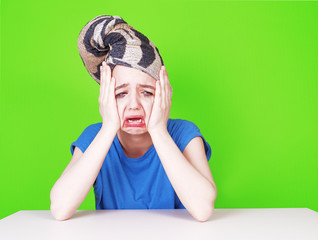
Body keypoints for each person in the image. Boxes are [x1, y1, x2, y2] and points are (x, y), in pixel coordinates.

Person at [50, 15, 217, 222]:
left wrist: (159, 131)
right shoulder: (95, 136)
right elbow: (59, 208)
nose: (134, 105)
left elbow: (203, 209)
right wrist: (109, 127)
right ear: (106, 98)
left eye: (147, 92)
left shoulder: (184, 133)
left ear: (162, 95)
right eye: (120, 94)